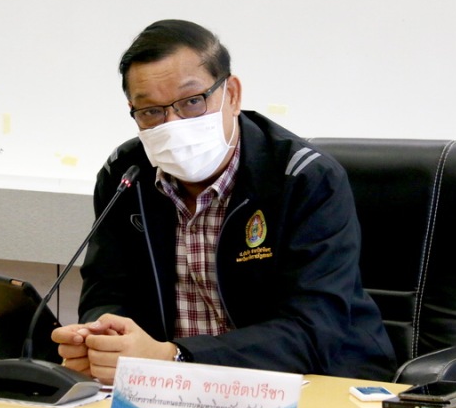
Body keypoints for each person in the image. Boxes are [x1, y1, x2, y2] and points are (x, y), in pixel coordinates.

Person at [51, 19, 397, 385]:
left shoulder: (305, 178)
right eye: (151, 111)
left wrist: (176, 357)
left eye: (192, 102)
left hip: (314, 384)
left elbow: (313, 330)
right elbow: (107, 290)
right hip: (169, 389)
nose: (173, 123)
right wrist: (101, 339)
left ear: (231, 95)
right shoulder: (126, 175)